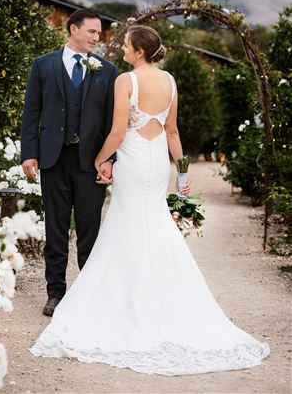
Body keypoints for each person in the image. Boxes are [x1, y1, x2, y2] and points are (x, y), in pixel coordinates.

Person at [30, 25, 270, 375]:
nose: (123, 48)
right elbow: (172, 132)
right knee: (154, 223)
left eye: (126, 44)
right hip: (158, 164)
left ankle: (125, 300)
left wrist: (100, 160)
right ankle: (165, 297)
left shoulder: (126, 81)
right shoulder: (170, 82)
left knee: (127, 225)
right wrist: (183, 173)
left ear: (138, 51)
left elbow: (116, 132)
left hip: (131, 161)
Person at [21, 9, 118, 317]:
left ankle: (88, 294)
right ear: (73, 29)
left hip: (90, 163)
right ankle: (55, 293)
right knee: (56, 228)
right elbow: (31, 113)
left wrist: (109, 159)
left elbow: (111, 121)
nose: (96, 37)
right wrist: (29, 153)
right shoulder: (43, 65)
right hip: (53, 159)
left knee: (90, 230)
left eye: (98, 32)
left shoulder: (107, 70)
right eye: (91, 31)